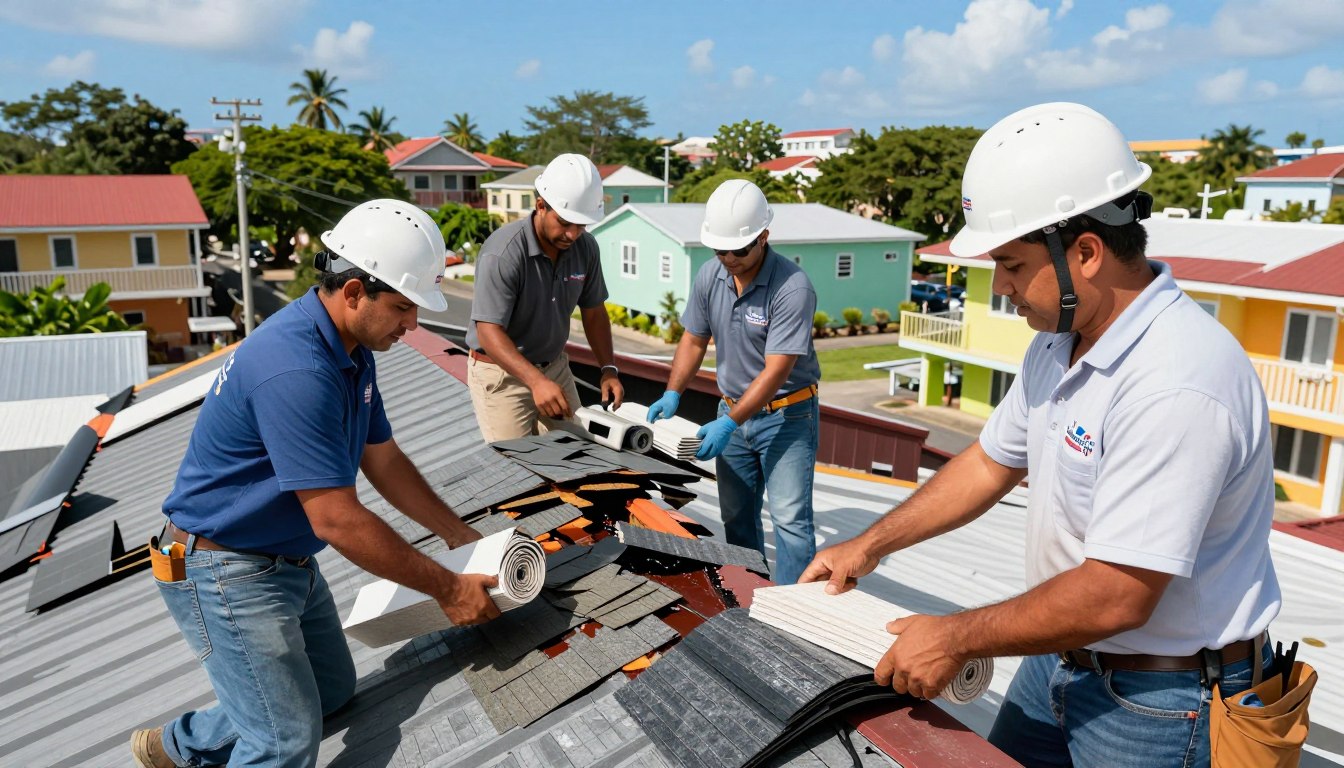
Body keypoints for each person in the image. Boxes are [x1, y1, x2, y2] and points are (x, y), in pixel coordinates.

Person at [800, 102, 1280, 766]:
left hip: (1161, 698)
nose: (1001, 287)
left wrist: (957, 638)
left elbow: (1118, 594)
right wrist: (869, 545)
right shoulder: (1061, 342)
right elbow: (991, 463)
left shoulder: (1177, 380)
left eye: (1013, 264)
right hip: (1060, 659)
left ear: (1085, 252)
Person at [131, 199, 500, 768]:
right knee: (284, 742)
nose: (413, 326)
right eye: (404, 308)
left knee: (329, 694)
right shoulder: (297, 367)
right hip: (221, 567)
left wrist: (458, 534)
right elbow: (336, 519)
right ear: (354, 291)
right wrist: (449, 591)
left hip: (283, 561)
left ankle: (177, 748)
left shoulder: (352, 345)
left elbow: (383, 459)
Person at [647, 179, 822, 585]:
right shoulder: (712, 275)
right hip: (733, 409)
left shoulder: (793, 288)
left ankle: (793, 612)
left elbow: (777, 369)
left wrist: (730, 423)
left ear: (764, 237)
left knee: (791, 521)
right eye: (719, 249)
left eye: (739, 250)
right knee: (737, 516)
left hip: (787, 416)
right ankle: (753, 594)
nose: (729, 258)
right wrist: (674, 390)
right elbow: (693, 340)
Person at [466, 153, 623, 442]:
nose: (573, 234)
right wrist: (535, 381)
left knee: (580, 451)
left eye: (582, 225)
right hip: (502, 375)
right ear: (541, 206)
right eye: (565, 223)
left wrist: (608, 369)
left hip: (554, 369)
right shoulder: (503, 252)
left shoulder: (586, 248)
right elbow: (488, 331)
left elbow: (594, 312)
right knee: (519, 467)